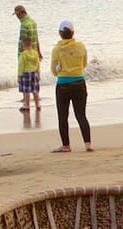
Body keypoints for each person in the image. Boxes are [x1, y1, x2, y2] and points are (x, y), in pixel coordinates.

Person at [50, 20, 91, 153]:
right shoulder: (81, 46)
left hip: (63, 84)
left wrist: (63, 69)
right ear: (73, 33)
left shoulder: (57, 50)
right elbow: (84, 64)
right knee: (81, 115)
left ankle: (66, 145)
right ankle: (88, 143)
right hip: (79, 82)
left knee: (63, 116)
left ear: (60, 33)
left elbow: (54, 71)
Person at [18, 41, 41, 111]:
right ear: (31, 45)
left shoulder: (23, 54)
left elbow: (21, 66)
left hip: (26, 73)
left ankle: (27, 105)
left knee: (26, 91)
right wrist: (39, 73)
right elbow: (38, 64)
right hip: (35, 73)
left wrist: (19, 75)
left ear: (24, 46)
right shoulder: (35, 53)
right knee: (35, 90)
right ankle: (37, 104)